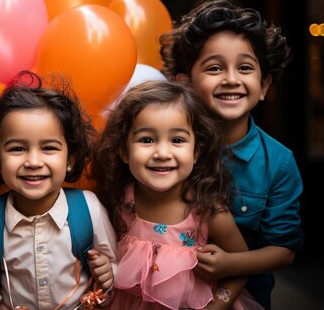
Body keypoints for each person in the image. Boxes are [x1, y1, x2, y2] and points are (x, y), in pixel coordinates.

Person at [159, 0, 303, 309]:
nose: (231, 78)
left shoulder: (279, 163)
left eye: (245, 68)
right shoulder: (163, 148)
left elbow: (284, 250)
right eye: (214, 67)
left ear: (263, 85)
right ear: (185, 83)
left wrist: (230, 265)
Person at [91, 80, 261, 309]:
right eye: (147, 140)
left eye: (177, 140)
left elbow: (239, 268)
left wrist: (217, 306)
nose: (162, 153)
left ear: (196, 151)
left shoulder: (207, 211)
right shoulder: (120, 201)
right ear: (123, 150)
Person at [0, 71, 118, 309]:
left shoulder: (89, 210)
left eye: (48, 147)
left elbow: (113, 267)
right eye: (17, 149)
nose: (33, 161)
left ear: (71, 158)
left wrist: (109, 276)